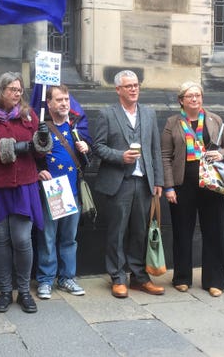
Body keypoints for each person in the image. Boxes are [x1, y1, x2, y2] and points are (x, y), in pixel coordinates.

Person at [0, 72, 52, 314]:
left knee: (22, 239)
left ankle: (24, 291)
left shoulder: (29, 116)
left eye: (19, 89)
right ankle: (6, 291)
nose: (17, 93)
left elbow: (40, 153)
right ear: (0, 90)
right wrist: (11, 147)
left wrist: (42, 141)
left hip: (23, 187)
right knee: (1, 240)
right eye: (12, 89)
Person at [160, 81, 224, 297]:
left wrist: (222, 154)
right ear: (181, 100)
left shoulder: (214, 120)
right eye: (189, 96)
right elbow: (165, 156)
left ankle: (215, 281)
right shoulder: (172, 122)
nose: (194, 99)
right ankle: (182, 277)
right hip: (182, 186)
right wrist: (169, 187)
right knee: (182, 232)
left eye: (197, 95)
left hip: (212, 186)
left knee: (213, 231)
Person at [93, 70, 165, 298]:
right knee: (117, 232)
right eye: (128, 86)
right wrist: (119, 156)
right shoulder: (107, 114)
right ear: (118, 90)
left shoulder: (149, 114)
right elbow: (98, 147)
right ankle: (117, 277)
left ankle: (139, 277)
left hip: (144, 182)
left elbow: (155, 150)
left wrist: (158, 180)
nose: (134, 89)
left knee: (140, 232)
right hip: (119, 182)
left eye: (136, 85)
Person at [35, 84, 91, 300]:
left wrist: (86, 149)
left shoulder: (75, 127)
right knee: (48, 237)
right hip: (52, 191)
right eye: (59, 100)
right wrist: (39, 171)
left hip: (73, 190)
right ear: (49, 103)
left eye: (66, 99)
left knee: (69, 237)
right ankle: (45, 280)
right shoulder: (42, 129)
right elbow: (32, 158)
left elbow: (88, 158)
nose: (64, 103)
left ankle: (67, 277)